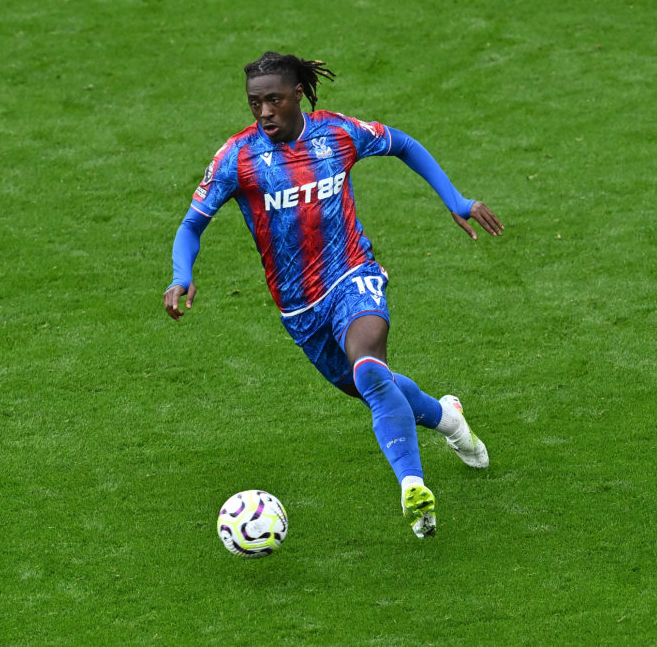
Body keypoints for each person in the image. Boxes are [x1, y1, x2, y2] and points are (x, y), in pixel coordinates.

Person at [163, 51, 504, 538]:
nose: (263, 113)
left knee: (368, 360)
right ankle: (448, 419)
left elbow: (401, 143)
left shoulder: (337, 134)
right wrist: (181, 274)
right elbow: (192, 224)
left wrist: (456, 200)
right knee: (369, 387)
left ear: (297, 94)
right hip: (299, 307)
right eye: (254, 103)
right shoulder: (237, 157)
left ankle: (412, 487)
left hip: (352, 274)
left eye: (274, 101)